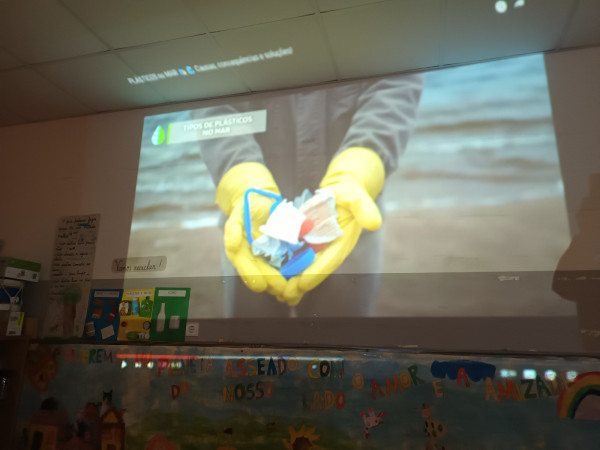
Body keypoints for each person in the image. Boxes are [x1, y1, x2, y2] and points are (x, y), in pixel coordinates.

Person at [195, 72, 424, 317]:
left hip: (348, 218)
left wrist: (363, 162)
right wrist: (238, 171)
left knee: (342, 336)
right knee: (251, 337)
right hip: (250, 224)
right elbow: (211, 94)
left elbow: (396, 82)